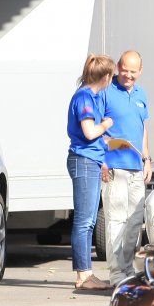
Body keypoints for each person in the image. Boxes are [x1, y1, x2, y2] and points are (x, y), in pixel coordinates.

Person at [67, 54, 116, 292]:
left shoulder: (91, 97)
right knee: (84, 221)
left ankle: (87, 273)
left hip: (91, 160)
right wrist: (106, 124)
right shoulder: (85, 97)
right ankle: (83, 275)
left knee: (89, 220)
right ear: (106, 76)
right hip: (84, 161)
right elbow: (88, 132)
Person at [102, 50, 152, 283]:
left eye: (133, 71)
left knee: (134, 222)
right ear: (117, 68)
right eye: (124, 70)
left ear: (140, 71)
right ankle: (116, 273)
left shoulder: (141, 93)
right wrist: (102, 161)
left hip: (136, 167)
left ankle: (128, 269)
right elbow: (95, 128)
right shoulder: (106, 91)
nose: (128, 75)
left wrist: (147, 159)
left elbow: (143, 129)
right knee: (116, 220)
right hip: (114, 166)